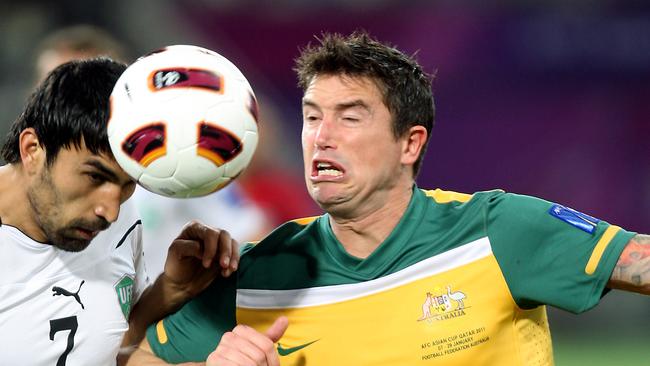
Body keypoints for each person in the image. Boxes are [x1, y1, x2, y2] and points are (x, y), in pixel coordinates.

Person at [130, 31, 649, 365]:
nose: (321, 136)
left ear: (410, 143)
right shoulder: (256, 274)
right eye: (312, 116)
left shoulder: (498, 231)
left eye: (350, 117)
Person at [0, 57, 240, 365]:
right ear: (33, 149)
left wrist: (169, 289)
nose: (110, 211)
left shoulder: (117, 217)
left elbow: (114, 347)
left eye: (128, 184)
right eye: (95, 177)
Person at [32, 24, 273, 278]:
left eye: (86, 87)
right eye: (54, 87)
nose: (65, 103)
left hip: (154, 312)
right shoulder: (27, 174)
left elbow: (253, 234)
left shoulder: (171, 160)